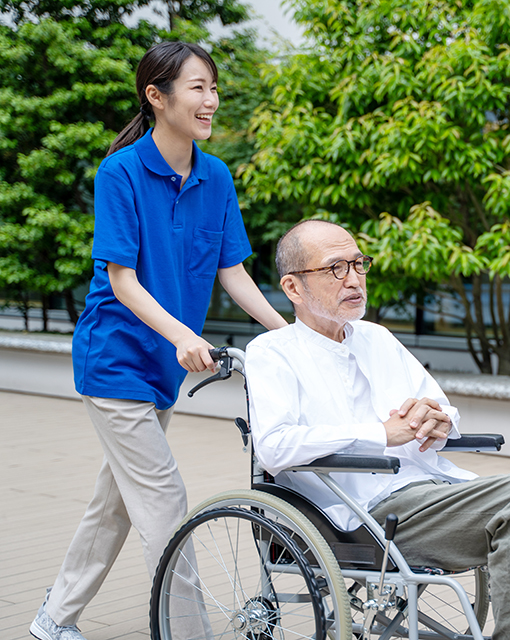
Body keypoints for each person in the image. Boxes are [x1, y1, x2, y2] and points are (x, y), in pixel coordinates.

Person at [244, 219, 510, 640]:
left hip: (432, 490)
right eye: (336, 268)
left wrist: (439, 421)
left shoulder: (377, 338)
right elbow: (273, 446)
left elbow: (440, 407)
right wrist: (380, 433)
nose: (354, 279)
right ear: (293, 288)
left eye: (358, 264)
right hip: (363, 514)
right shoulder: (272, 353)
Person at [30, 42, 287, 640]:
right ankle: (186, 632)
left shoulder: (216, 176)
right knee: (165, 502)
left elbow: (232, 273)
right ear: (157, 96)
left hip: (164, 369)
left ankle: (53, 617)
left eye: (214, 88)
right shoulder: (120, 173)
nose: (212, 100)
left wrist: (293, 337)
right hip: (115, 360)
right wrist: (183, 336)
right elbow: (122, 280)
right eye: (198, 87)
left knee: (117, 502)